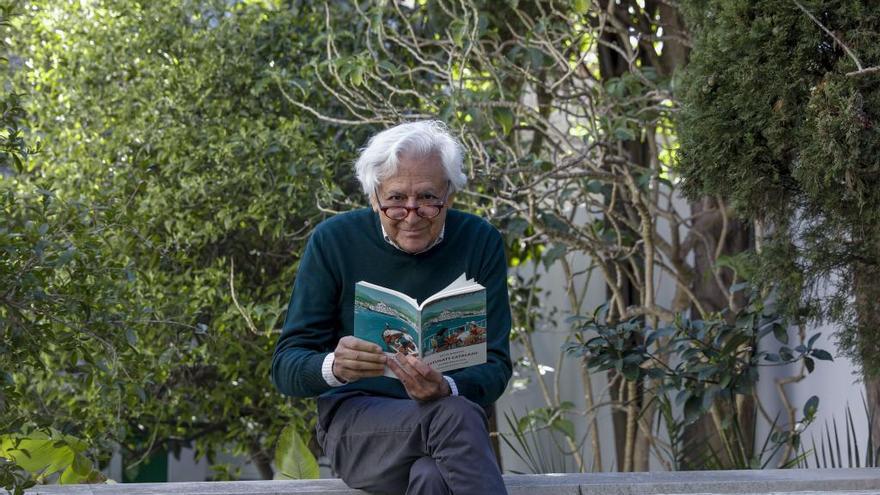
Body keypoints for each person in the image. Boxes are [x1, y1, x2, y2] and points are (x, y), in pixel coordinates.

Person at [271, 120, 512, 495]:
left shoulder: (480, 241)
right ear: (373, 197)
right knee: (457, 415)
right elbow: (285, 367)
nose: (412, 215)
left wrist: (446, 386)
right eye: (396, 200)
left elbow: (496, 366)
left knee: (432, 478)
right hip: (358, 427)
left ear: (449, 195)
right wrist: (334, 366)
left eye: (428, 199)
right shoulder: (334, 241)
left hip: (447, 429)